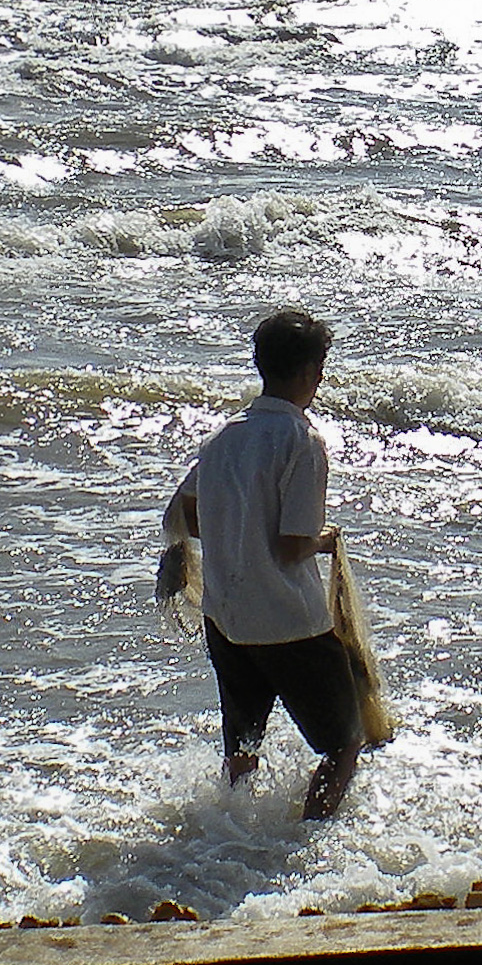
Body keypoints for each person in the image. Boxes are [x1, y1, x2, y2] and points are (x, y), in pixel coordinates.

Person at [170, 308, 363, 819]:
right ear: (307, 373)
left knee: (242, 749)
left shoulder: (222, 438)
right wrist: (326, 541)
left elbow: (184, 518)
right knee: (344, 745)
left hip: (227, 618)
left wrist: (238, 530)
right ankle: (308, 849)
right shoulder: (303, 440)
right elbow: (292, 545)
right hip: (288, 622)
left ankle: (223, 841)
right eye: (319, 370)